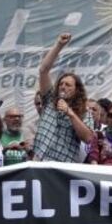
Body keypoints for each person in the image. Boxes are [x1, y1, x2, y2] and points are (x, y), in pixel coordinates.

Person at [32, 33, 94, 162]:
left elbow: (89, 138)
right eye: (61, 84)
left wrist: (70, 113)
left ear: (76, 90)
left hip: (63, 166)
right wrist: (59, 45)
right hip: (40, 161)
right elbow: (43, 70)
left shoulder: (84, 112)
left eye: (68, 85)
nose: (63, 87)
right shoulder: (49, 100)